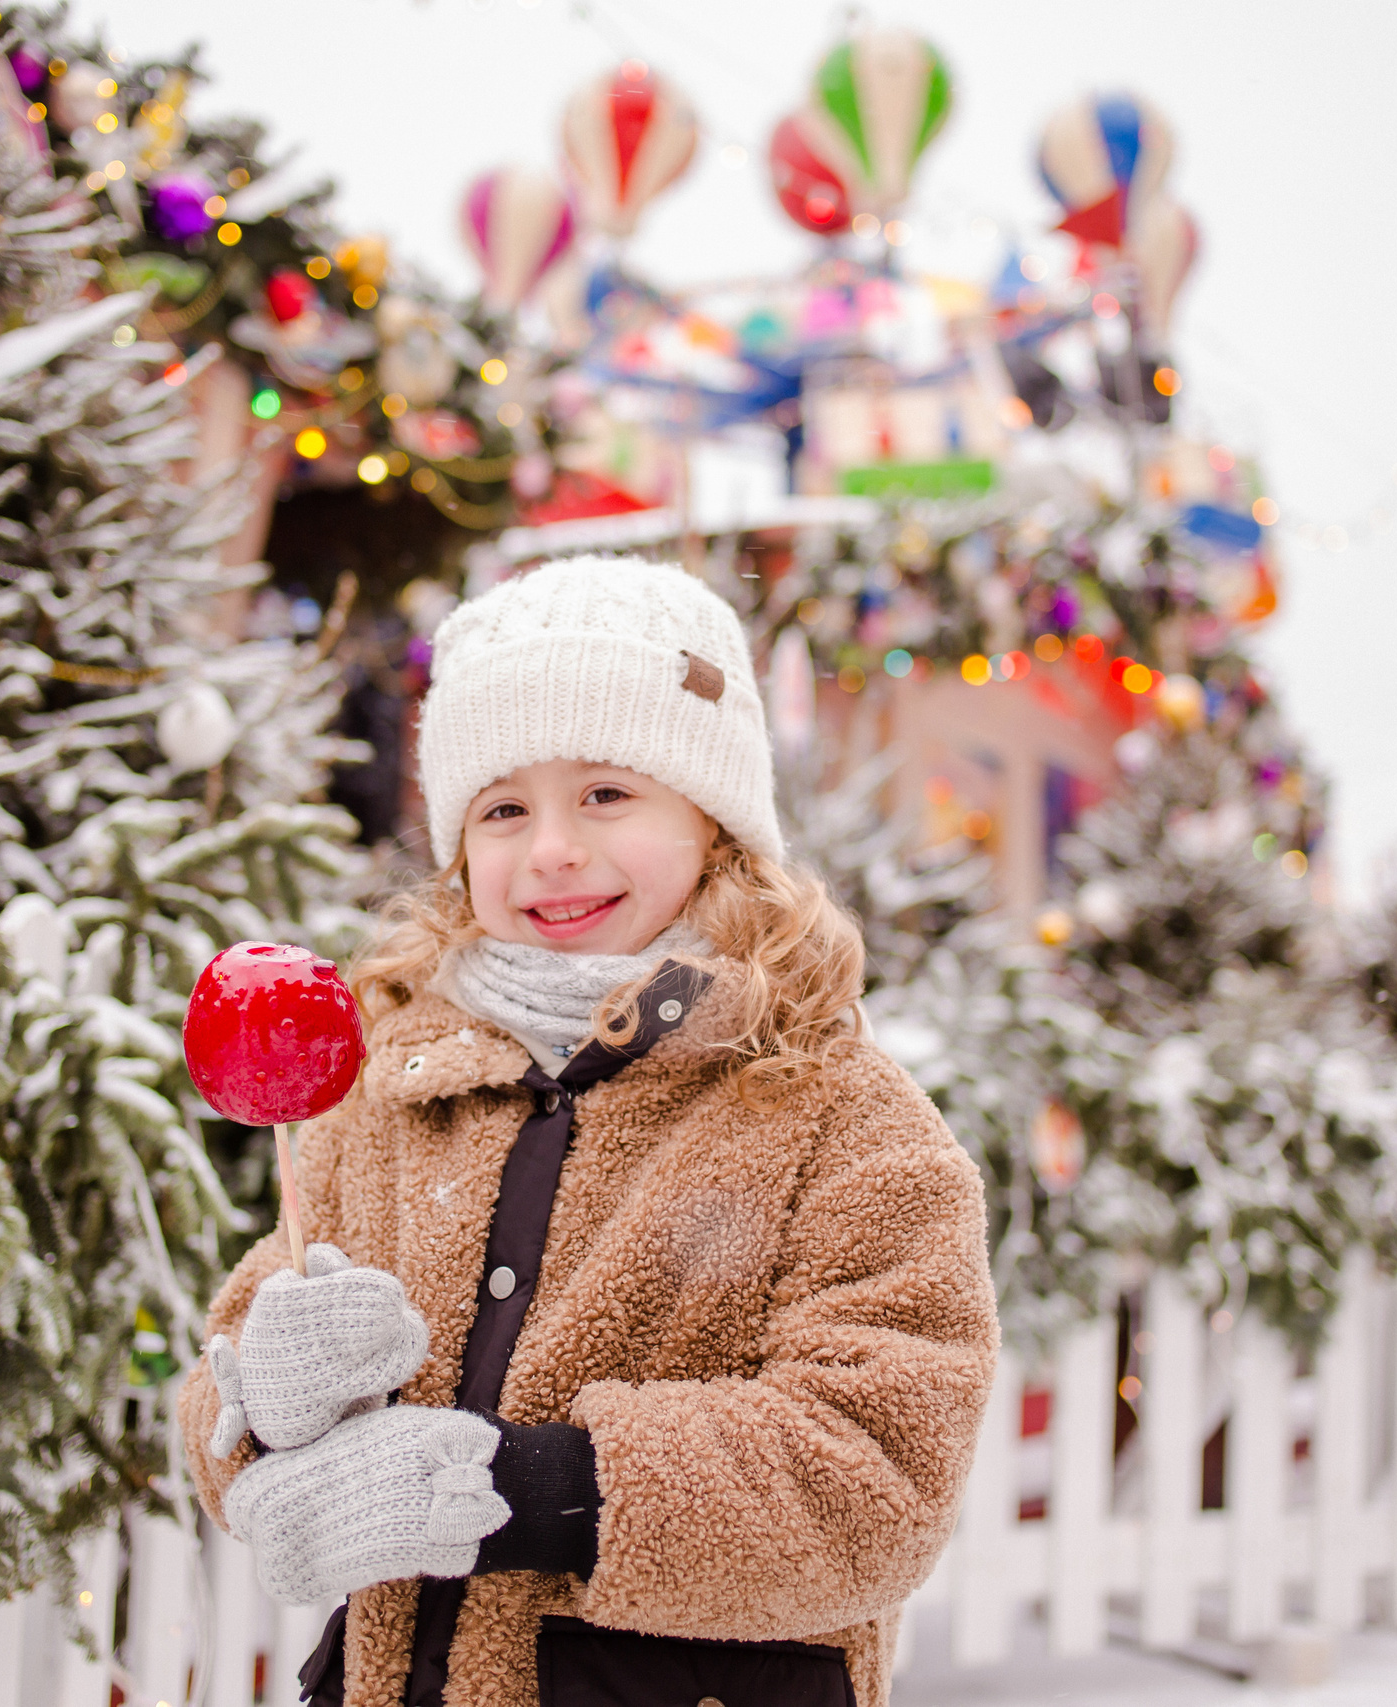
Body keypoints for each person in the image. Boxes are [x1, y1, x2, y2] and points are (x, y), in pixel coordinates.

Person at [176, 555, 998, 1707]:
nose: (552, 848)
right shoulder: (396, 1087)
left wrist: (528, 1488)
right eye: (504, 808)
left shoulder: (841, 1119)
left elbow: (876, 1479)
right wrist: (271, 1398)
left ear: (712, 823)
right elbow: (222, 1407)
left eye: (607, 793)